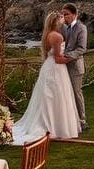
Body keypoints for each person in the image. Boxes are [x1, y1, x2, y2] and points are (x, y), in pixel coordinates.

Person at [12, 10, 81, 143]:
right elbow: (58, 58)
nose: (63, 20)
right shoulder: (57, 36)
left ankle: (52, 124)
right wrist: (72, 57)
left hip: (49, 67)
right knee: (57, 96)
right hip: (56, 68)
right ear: (56, 22)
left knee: (48, 96)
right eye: (61, 18)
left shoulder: (48, 34)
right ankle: (55, 126)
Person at [56, 2, 88, 132]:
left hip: (75, 66)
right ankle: (69, 120)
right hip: (63, 66)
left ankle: (82, 120)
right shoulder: (63, 27)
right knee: (65, 93)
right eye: (63, 14)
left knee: (76, 93)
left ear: (74, 14)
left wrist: (66, 56)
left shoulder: (82, 28)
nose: (65, 17)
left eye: (67, 14)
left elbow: (82, 49)